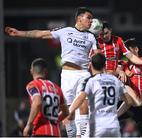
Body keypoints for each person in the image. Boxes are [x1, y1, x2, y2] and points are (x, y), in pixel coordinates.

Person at [5, 7, 100, 137]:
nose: (91, 21)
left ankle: (82, 136)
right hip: (67, 74)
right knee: (68, 111)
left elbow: (98, 56)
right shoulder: (65, 31)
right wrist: (19, 33)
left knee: (83, 104)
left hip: (83, 74)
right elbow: (41, 34)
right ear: (79, 18)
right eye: (88, 17)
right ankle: (72, 135)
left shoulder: (91, 37)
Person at [68, 53, 142, 137]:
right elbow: (129, 102)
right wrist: (116, 114)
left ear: (91, 65)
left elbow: (80, 99)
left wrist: (67, 113)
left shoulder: (90, 81)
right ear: (104, 65)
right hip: (112, 126)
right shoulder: (115, 81)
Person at [23, 58, 69, 137]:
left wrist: (29, 124)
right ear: (46, 72)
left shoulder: (32, 85)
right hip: (56, 133)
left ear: (32, 71)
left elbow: (37, 103)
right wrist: (55, 120)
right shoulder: (57, 88)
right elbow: (66, 112)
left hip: (40, 131)